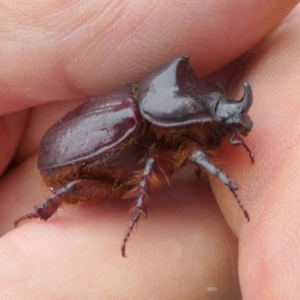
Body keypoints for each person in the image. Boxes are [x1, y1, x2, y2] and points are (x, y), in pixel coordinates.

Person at [0, 1, 299, 298]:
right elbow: (167, 160)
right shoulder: (136, 120)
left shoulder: (167, 123)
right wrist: (229, 183)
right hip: (63, 164)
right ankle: (43, 212)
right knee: (80, 185)